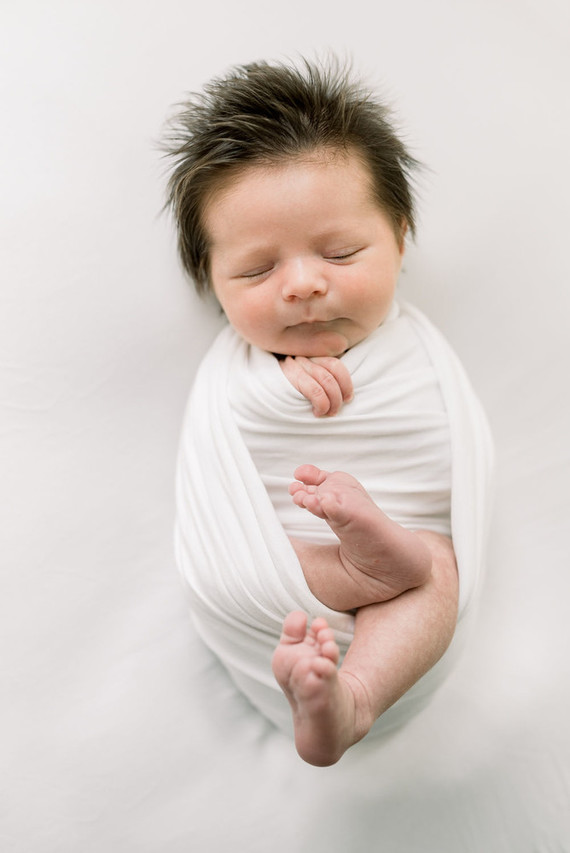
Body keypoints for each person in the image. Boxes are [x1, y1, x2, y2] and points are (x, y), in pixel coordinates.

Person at [163, 58, 488, 766]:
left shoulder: (416, 357)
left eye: (339, 252)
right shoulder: (237, 374)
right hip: (274, 574)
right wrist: (278, 376)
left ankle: (354, 697)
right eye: (255, 271)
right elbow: (220, 470)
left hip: (403, 590)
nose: (304, 284)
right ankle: (359, 577)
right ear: (212, 285)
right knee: (399, 565)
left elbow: (462, 462)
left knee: (434, 565)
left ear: (401, 237)